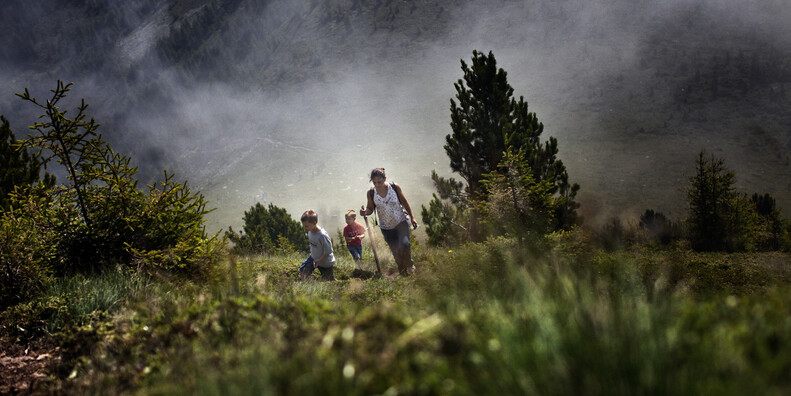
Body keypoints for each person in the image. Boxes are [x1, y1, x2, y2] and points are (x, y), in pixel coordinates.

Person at [359, 168, 418, 276]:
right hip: (386, 226)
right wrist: (365, 212)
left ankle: (409, 264)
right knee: (395, 250)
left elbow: (404, 202)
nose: (377, 184)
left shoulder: (394, 187)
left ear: (385, 178)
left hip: (401, 221)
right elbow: (370, 208)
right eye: (374, 182)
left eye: (379, 182)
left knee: (404, 244)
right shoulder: (371, 192)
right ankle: (402, 270)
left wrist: (412, 217)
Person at [299, 209, 336, 281]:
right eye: (303, 225)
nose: (304, 228)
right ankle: (308, 287)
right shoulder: (310, 231)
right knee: (303, 271)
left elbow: (328, 250)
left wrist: (319, 261)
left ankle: (343, 282)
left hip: (325, 262)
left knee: (329, 280)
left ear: (314, 223)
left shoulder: (322, 235)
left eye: (306, 226)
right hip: (313, 258)